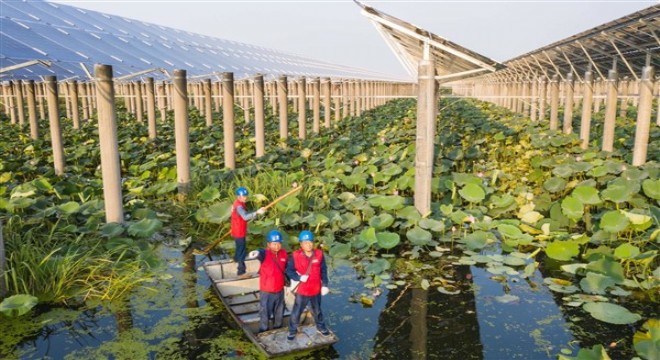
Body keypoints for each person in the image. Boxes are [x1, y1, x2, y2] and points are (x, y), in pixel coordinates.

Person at [285, 230, 331, 341]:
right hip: (303, 291)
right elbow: (289, 271)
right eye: (305, 242)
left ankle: (321, 327)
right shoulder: (296, 256)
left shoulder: (319, 254)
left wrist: (325, 284)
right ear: (301, 244)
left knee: (317, 310)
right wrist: (298, 278)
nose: (308, 244)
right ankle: (292, 330)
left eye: (310, 242)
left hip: (315, 289)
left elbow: (324, 270)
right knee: (297, 312)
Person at [248, 230, 288, 333]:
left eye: (279, 243)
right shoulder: (265, 254)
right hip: (267, 292)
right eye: (274, 244)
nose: (277, 246)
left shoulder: (284, 254)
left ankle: (278, 329)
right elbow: (259, 253)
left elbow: (288, 267)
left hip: (280, 290)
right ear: (268, 244)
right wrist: (255, 253)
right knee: (265, 313)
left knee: (279, 312)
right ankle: (263, 331)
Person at [231, 186, 266, 278]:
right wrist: (257, 213)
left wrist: (257, 212)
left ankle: (235, 259)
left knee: (239, 248)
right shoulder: (239, 206)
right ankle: (241, 272)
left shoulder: (238, 203)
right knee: (242, 250)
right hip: (239, 231)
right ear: (239, 196)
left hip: (237, 230)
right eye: (244, 196)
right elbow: (245, 217)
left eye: (246, 196)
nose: (245, 198)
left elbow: (245, 215)